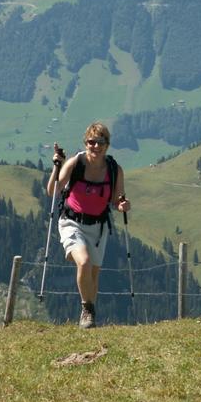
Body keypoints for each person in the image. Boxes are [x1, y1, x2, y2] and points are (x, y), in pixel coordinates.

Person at [46, 122, 130, 328]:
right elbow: (53, 190)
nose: (95, 146)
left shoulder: (114, 169)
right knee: (83, 263)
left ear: (107, 145)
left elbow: (116, 200)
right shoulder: (76, 163)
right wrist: (56, 166)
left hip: (98, 228)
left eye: (100, 142)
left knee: (93, 274)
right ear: (86, 143)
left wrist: (123, 205)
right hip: (72, 222)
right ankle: (87, 310)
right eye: (91, 142)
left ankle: (90, 315)